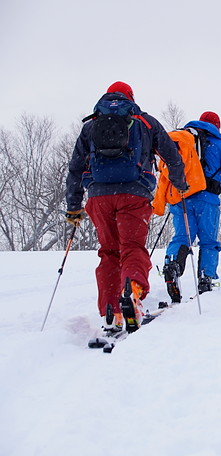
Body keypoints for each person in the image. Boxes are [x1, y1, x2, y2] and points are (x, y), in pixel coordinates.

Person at [65, 81, 188, 332]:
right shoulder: (145, 122)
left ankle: (111, 312)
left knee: (109, 252)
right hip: (134, 193)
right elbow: (171, 155)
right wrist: (180, 184)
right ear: (130, 98)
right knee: (132, 247)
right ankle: (131, 293)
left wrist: (73, 206)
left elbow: (76, 167)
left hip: (98, 197)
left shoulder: (90, 126)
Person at [155, 112, 221, 302]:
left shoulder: (184, 141)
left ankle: (173, 264)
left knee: (182, 237)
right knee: (208, 241)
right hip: (207, 199)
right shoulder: (219, 145)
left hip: (181, 196)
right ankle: (206, 278)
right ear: (217, 126)